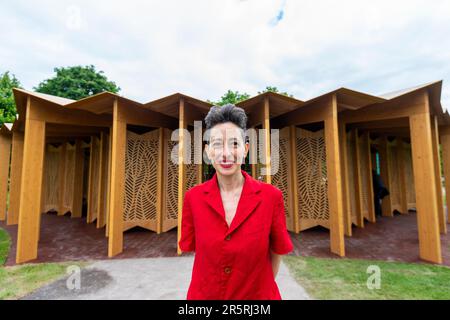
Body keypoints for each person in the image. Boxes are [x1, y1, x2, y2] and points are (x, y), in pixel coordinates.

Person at [178, 104, 294, 300]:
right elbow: (194, 249)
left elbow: (276, 251)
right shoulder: (193, 198)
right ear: (208, 151)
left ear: (245, 149)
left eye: (234, 143)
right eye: (217, 144)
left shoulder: (270, 197)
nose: (226, 153)